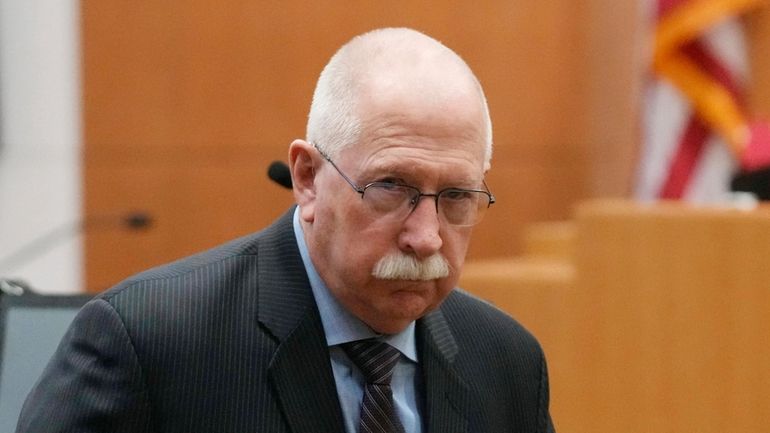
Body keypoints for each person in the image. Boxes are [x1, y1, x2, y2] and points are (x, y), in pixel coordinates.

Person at [17, 27, 555, 433]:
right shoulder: (149, 344)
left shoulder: (506, 362)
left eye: (457, 197)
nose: (427, 237)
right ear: (308, 177)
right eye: (391, 186)